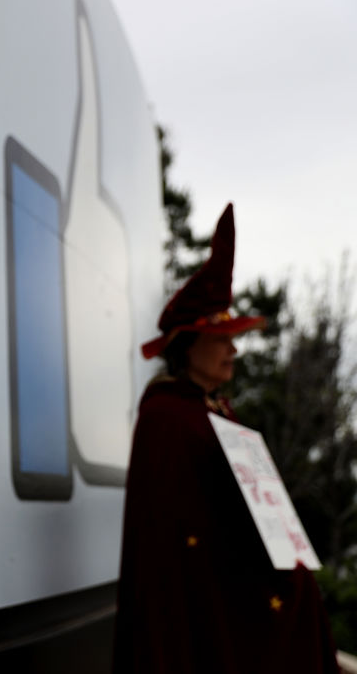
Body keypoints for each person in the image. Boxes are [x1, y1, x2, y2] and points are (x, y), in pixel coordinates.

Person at [112, 204, 339, 673]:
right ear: (188, 345)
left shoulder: (213, 408)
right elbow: (173, 546)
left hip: (230, 587)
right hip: (200, 605)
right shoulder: (166, 419)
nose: (234, 349)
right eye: (223, 338)